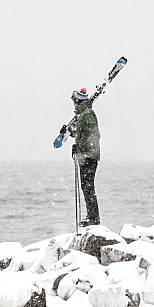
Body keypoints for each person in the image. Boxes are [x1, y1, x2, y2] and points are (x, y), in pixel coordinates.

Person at [64, 88, 101, 226]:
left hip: (89, 156)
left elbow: (94, 135)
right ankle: (91, 216)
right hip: (84, 156)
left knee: (88, 187)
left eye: (74, 102)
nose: (73, 105)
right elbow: (82, 135)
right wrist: (70, 133)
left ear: (78, 102)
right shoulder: (83, 115)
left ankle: (93, 218)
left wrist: (83, 148)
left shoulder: (88, 114)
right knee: (86, 187)